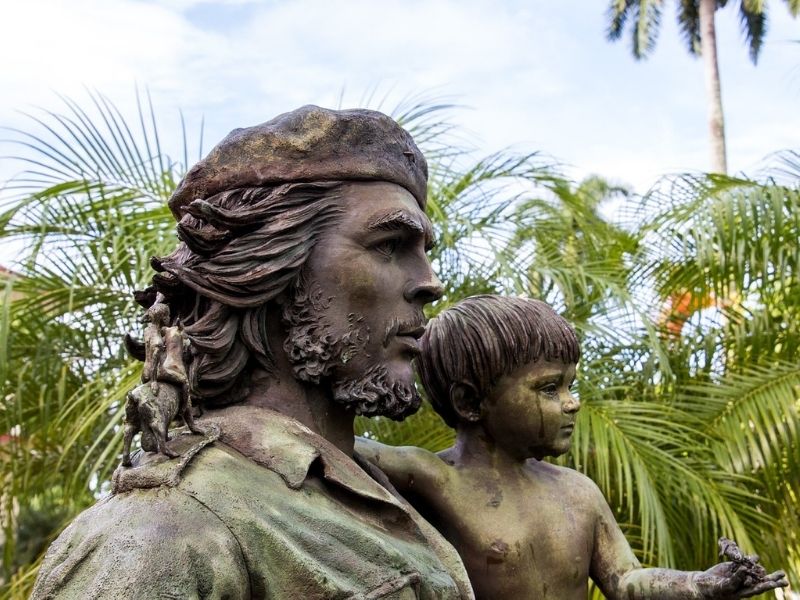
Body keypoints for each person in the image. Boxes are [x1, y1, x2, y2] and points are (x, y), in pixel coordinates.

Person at [32, 106, 474, 599]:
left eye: (425, 250)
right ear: (269, 265)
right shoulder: (166, 531)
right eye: (390, 245)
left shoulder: (377, 494)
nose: (429, 283)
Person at [356, 295, 788, 600]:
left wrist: (700, 584)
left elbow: (626, 581)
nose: (572, 402)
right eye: (548, 388)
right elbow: (320, 439)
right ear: (470, 402)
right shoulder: (434, 479)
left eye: (570, 385)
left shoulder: (577, 493)